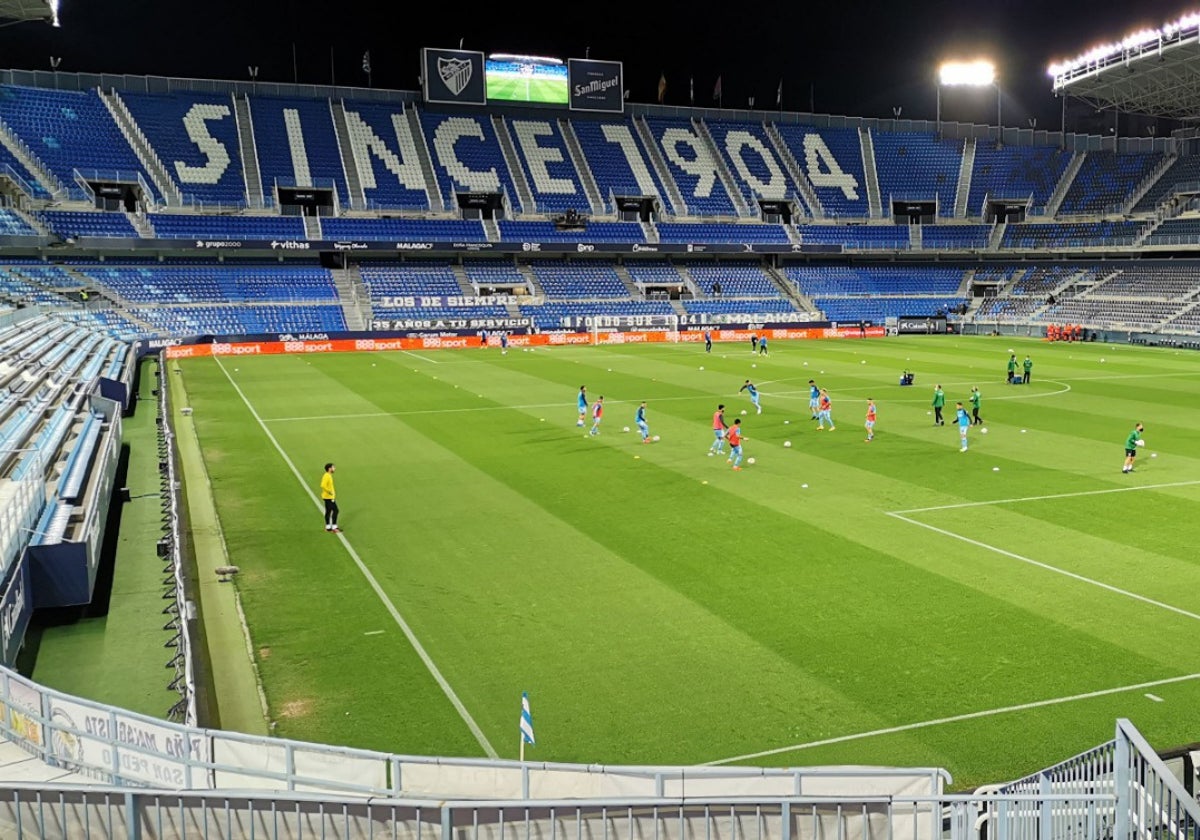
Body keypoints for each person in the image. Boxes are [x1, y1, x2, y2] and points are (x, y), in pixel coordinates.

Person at [320, 463, 340, 533]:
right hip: (329, 497)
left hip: (327, 497)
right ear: (329, 469)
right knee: (336, 510)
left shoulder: (328, 475)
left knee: (328, 511)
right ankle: (334, 527)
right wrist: (329, 492)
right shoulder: (327, 476)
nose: (334, 469)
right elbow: (322, 485)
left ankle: (328, 527)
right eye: (333, 467)